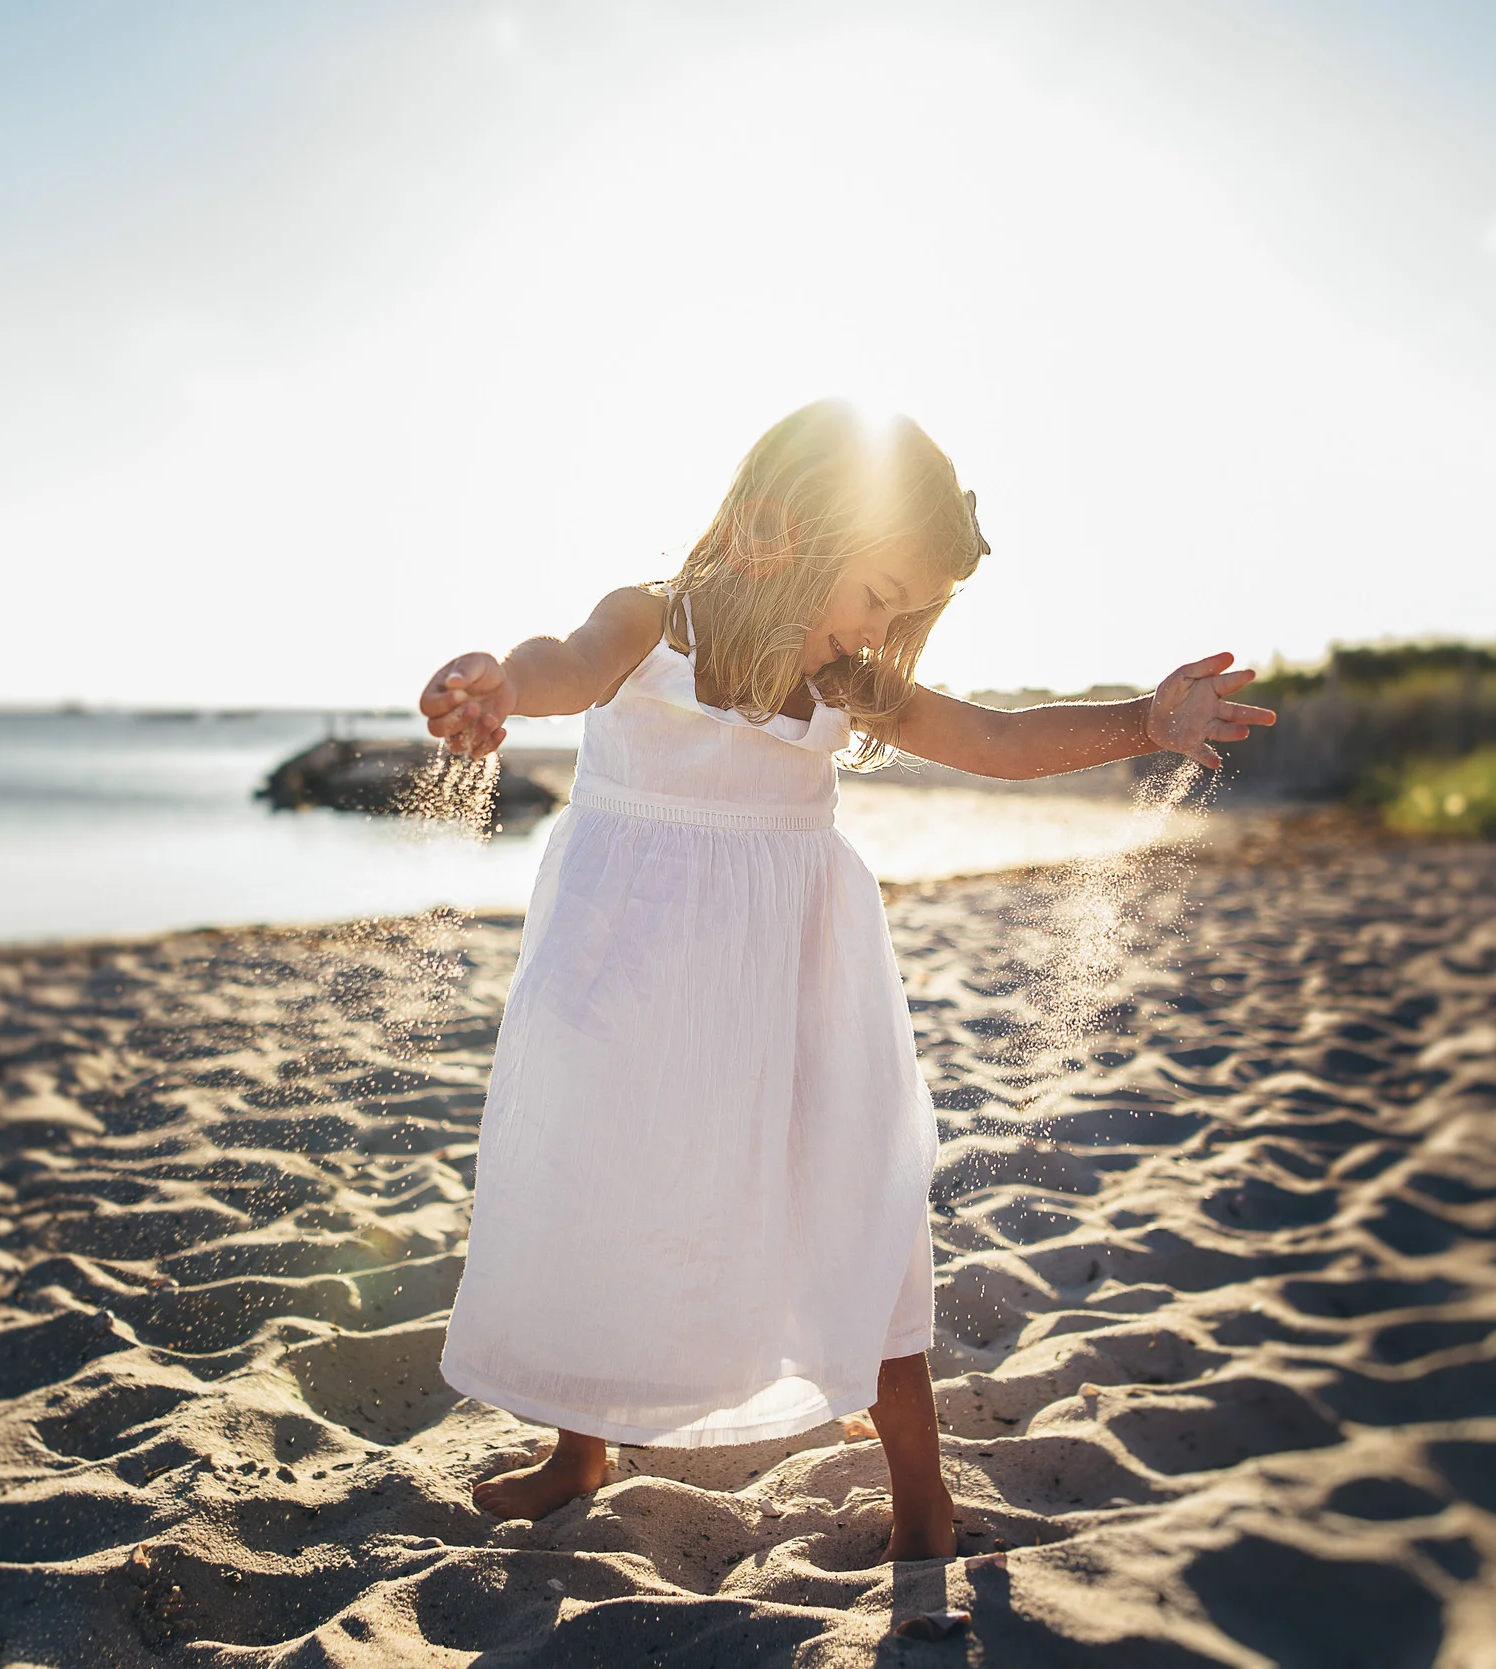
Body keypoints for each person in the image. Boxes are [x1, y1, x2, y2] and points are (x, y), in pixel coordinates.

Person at [418, 399, 1275, 1560]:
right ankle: (582, 1448)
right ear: (779, 531)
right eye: (877, 595)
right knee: (605, 1183)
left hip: (797, 983)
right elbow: (560, 667)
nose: (879, 629)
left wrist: (1144, 720)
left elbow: (1003, 745)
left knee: (852, 1210)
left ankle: (921, 1490)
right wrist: (502, 688)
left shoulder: (845, 689)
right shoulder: (644, 622)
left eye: (903, 611)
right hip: (625, 976)